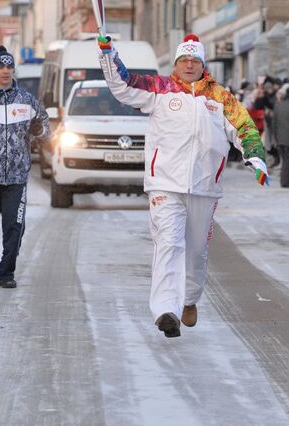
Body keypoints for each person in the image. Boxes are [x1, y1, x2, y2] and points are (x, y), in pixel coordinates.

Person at [98, 33, 268, 338]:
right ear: (176, 63)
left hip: (204, 186)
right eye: (183, 60)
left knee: (196, 250)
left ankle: (189, 299)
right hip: (165, 182)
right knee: (168, 242)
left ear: (202, 64)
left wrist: (256, 159)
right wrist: (108, 53)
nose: (189, 65)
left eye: (194, 60)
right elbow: (122, 84)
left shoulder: (220, 97)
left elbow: (244, 128)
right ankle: (166, 310)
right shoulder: (160, 88)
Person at [0, 45, 49, 288]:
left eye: (9, 67)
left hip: (16, 177)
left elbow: (46, 130)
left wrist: (39, 131)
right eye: (0, 67)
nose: (5, 71)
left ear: (14, 70)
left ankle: (7, 273)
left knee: (14, 227)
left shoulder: (26, 100)